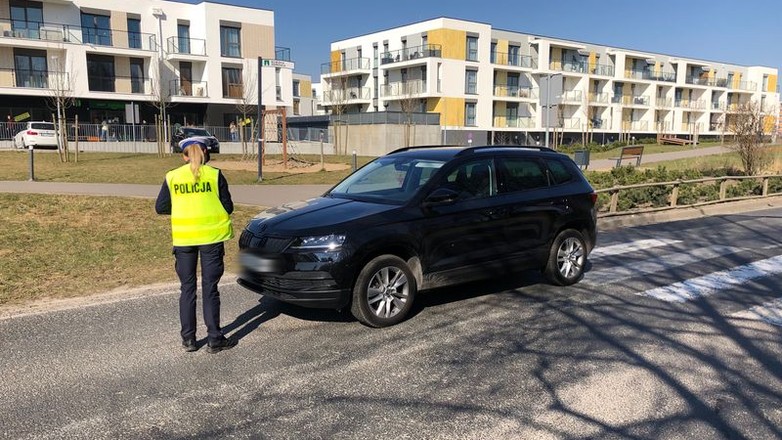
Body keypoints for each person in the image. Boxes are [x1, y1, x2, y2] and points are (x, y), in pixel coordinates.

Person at [155, 137, 237, 354]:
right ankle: (214, 339)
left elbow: (161, 207)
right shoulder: (215, 175)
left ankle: (189, 339)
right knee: (210, 288)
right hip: (211, 238)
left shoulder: (172, 176)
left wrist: (183, 207)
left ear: (184, 156)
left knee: (187, 289)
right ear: (206, 154)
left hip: (184, 240)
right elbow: (228, 206)